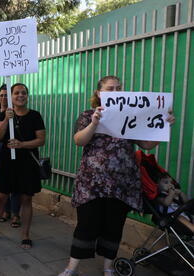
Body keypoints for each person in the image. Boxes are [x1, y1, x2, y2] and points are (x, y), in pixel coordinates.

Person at [58, 76, 176, 276]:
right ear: (99, 93)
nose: (115, 91)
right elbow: (79, 140)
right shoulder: (88, 115)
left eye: (118, 88)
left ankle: (108, 267)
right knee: (86, 224)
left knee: (114, 227)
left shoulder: (129, 116)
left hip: (122, 185)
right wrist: (94, 123)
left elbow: (146, 145)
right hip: (91, 185)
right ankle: (72, 267)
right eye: (110, 89)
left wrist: (163, 127)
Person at [0, 83, 45, 249]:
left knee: (26, 198)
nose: (20, 95)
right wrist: (6, 119)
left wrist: (22, 144)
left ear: (27, 95)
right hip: (7, 161)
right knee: (1, 197)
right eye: (16, 93)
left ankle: (25, 235)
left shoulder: (35, 116)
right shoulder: (5, 115)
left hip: (27, 163)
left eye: (23, 93)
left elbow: (41, 140)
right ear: (11, 96)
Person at [0, 85, 22, 227]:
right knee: (2, 180)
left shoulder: (16, 112)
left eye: (6, 95)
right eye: (1, 95)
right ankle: (6, 210)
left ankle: (16, 213)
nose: (3, 98)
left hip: (14, 149)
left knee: (16, 181)